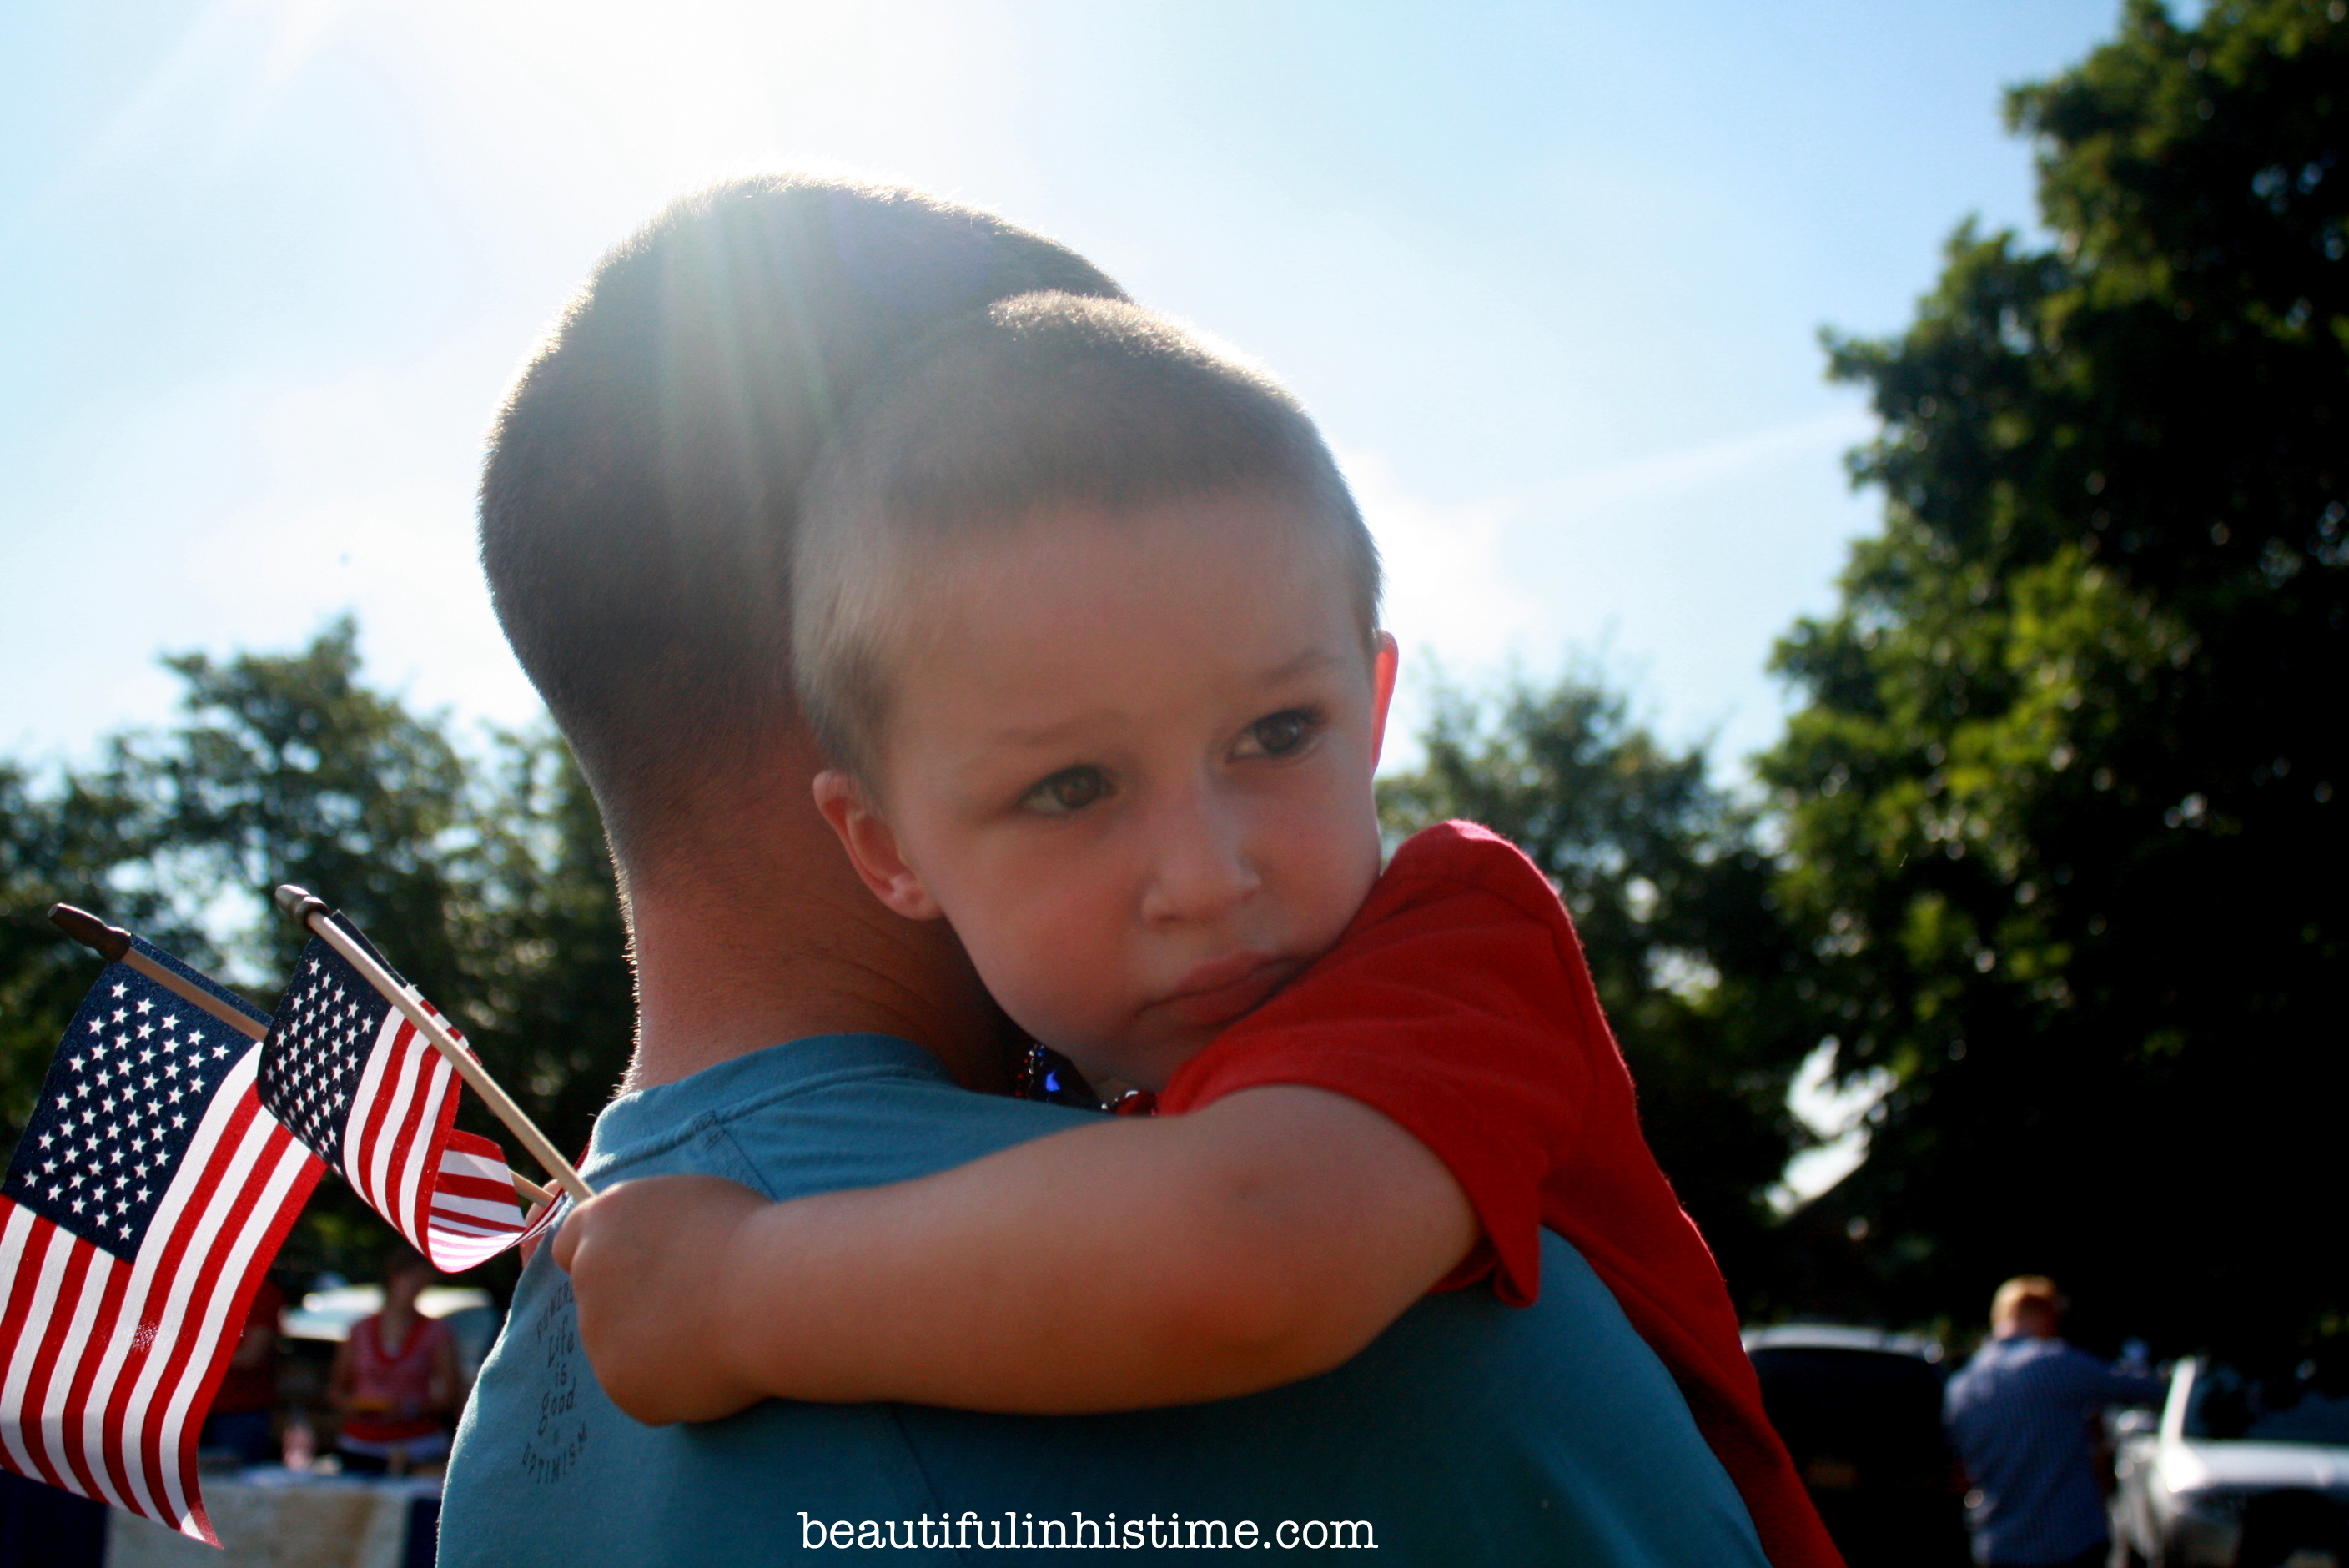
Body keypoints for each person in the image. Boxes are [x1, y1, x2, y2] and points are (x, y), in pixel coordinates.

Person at [439, 173, 1782, 1565]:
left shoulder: (528, 1406)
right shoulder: (1444, 1353)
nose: (1206, 877)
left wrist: (731, 1292)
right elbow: (1244, 1252)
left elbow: (1250, 1241)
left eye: (1272, 730)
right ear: (874, 777)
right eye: (1073, 780)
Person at [1943, 1276, 2165, 1568]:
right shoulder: (2054, 1363)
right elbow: (2147, 1390)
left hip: (1997, 1545)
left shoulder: (1963, 1385)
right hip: (2068, 1543)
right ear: (2043, 1314)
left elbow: (1960, 1469)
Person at [331, 1249, 463, 1477]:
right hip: (362, 1442)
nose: (416, 1288)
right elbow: (337, 1389)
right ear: (394, 1278)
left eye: (423, 1282)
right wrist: (357, 1406)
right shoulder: (360, 1330)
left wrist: (411, 1409)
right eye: (411, 1279)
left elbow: (451, 1391)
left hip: (418, 1442)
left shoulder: (436, 1332)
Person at [199, 1272, 284, 1465]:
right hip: (188, 1411)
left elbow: (251, 1357)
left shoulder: (261, 1291)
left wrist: (187, 1355)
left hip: (239, 1412)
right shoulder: (191, 1289)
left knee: (236, 1483)